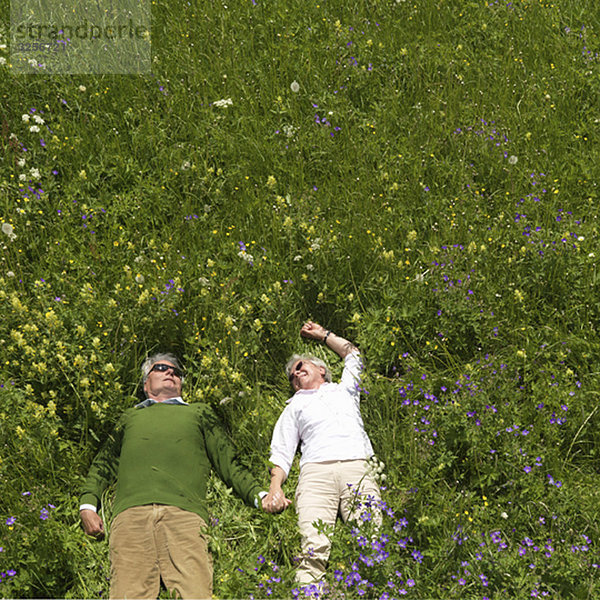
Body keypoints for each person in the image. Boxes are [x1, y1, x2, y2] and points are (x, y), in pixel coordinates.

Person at [79, 352, 280, 600]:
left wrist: (259, 495)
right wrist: (88, 505)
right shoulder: (130, 417)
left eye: (177, 371)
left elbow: (228, 461)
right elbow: (104, 462)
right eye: (162, 367)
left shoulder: (199, 413)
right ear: (145, 384)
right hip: (131, 515)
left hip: (185, 514)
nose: (171, 372)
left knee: (195, 594)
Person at [265, 321, 381, 585]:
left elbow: (353, 355)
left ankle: (369, 590)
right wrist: (275, 488)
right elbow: (282, 452)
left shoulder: (344, 390)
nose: (295, 374)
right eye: (292, 377)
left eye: (300, 367)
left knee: (371, 541)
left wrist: (323, 335)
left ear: (321, 369)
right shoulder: (293, 407)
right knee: (312, 549)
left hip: (357, 466)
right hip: (316, 474)